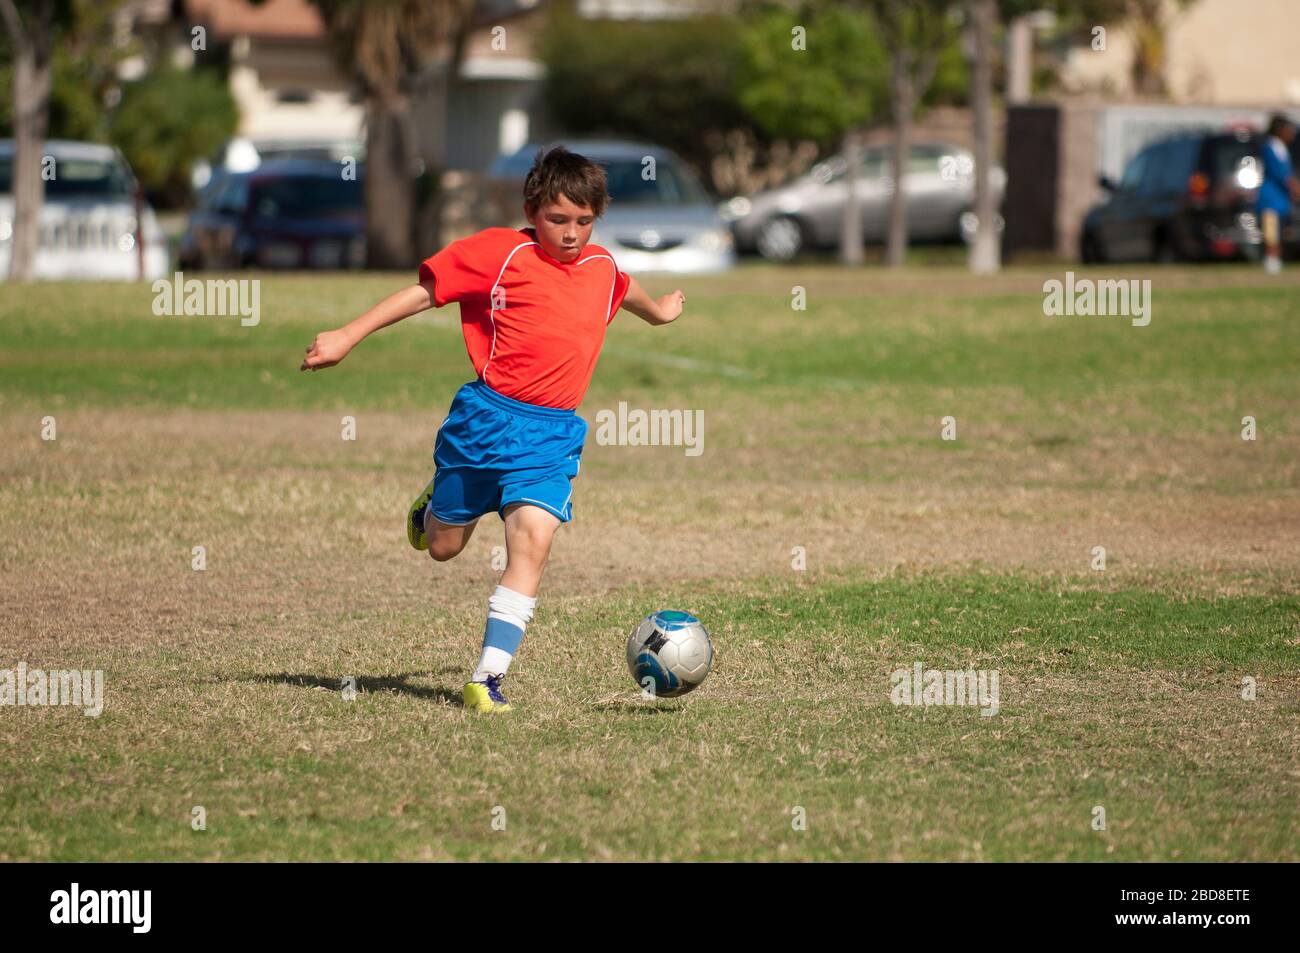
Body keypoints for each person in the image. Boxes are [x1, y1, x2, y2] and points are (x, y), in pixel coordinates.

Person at [300, 146, 686, 711]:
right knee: (443, 547)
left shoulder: (601, 268)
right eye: (558, 220)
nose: (572, 233)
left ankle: (486, 679)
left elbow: (626, 292)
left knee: (534, 538)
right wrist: (346, 336)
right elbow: (425, 294)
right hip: (484, 424)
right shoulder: (503, 254)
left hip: (551, 436)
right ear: (532, 211)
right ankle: (434, 505)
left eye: (584, 221)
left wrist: (662, 314)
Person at [1257, 114, 1300, 273]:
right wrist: (1294, 187)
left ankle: (1277, 258)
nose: (1292, 133)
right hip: (1271, 196)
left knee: (1281, 228)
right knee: (1271, 229)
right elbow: (1280, 173)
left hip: (1281, 197)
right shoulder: (1270, 147)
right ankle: (1271, 259)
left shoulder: (1282, 148)